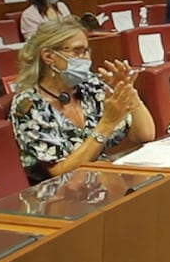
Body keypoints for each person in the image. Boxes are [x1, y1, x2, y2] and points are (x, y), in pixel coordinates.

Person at [9, 18, 154, 184]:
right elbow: (61, 172)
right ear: (49, 56)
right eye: (77, 51)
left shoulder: (89, 86)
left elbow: (145, 135)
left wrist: (129, 92)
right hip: (57, 197)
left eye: (86, 51)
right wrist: (106, 124)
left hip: (101, 182)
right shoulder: (29, 105)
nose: (85, 59)